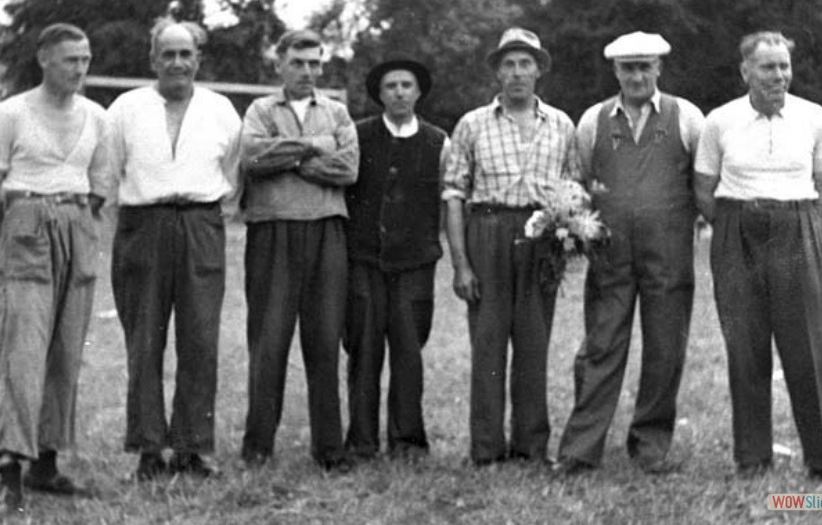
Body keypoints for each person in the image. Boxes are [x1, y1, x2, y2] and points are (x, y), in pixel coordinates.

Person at [694, 31, 822, 486]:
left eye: (784, 66)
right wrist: (738, 224)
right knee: (745, 345)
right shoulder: (719, 121)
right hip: (735, 231)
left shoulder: (813, 117)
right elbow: (705, 190)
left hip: (797, 229)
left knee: (810, 348)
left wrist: (790, 219)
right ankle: (752, 458)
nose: (778, 76)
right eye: (768, 67)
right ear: (746, 71)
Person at [0, 23, 111, 515]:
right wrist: (14, 239)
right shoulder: (12, 113)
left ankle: (46, 465)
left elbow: (98, 187)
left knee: (66, 352)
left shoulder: (96, 117)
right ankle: (10, 473)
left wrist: (72, 226)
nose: (80, 68)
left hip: (76, 226)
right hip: (25, 225)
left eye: (86, 59)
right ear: (44, 60)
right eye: (71, 59)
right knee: (23, 355)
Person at [554, 32, 704, 475]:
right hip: (610, 255)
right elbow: (579, 182)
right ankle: (580, 450)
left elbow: (703, 181)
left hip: (669, 255)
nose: (637, 75)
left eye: (645, 66)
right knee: (601, 346)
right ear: (615, 71)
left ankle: (650, 446)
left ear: (659, 68)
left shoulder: (687, 116)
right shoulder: (593, 120)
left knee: (664, 351)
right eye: (628, 68)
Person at [106, 19, 241, 480]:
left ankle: (192, 448)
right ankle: (148, 448)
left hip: (201, 222)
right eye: (169, 54)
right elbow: (108, 172)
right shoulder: (125, 108)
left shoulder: (222, 110)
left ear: (198, 59)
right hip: (143, 225)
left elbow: (232, 168)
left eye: (186, 54)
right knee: (144, 339)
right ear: (153, 60)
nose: (178, 63)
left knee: (200, 338)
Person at [443, 27, 578, 466]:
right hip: (488, 229)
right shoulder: (472, 124)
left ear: (539, 70)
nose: (517, 73)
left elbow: (573, 187)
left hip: (541, 236)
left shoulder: (561, 123)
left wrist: (566, 232)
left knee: (534, 344)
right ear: (497, 73)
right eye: (508, 65)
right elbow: (454, 194)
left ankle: (530, 447)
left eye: (526, 64)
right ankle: (485, 448)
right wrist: (462, 264)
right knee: (488, 343)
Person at [239, 29, 358, 472]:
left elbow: (347, 168)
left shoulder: (337, 111)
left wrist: (285, 158)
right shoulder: (260, 110)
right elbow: (252, 159)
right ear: (280, 64)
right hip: (272, 232)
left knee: (325, 341)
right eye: (298, 63)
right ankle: (257, 447)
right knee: (269, 341)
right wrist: (311, 149)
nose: (307, 71)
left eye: (314, 63)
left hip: (326, 231)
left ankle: (329, 449)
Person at [343, 58, 450, 460]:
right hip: (365, 260)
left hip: (415, 264)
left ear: (419, 92)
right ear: (380, 94)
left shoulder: (440, 142)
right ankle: (362, 442)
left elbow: (448, 201)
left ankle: (407, 442)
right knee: (363, 349)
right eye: (391, 86)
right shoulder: (358, 137)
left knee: (408, 351)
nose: (400, 92)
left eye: (407, 85)